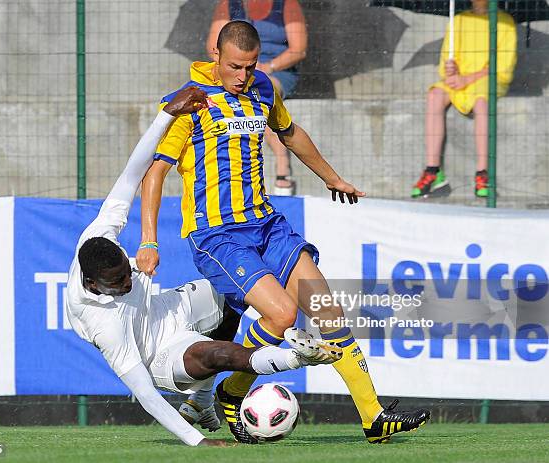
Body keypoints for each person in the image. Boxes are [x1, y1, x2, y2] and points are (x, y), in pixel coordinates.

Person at [138, 21, 430, 444]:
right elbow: (155, 173)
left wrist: (334, 178)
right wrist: (149, 240)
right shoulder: (189, 102)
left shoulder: (264, 88)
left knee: (327, 309)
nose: (243, 76)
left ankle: (374, 417)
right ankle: (233, 391)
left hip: (268, 225)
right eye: (236, 66)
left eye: (251, 65)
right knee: (281, 315)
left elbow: (290, 134)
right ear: (216, 56)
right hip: (219, 234)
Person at [65, 86, 342, 447]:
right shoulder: (102, 326)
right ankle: (296, 358)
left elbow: (132, 173)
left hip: (166, 308)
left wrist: (166, 115)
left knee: (233, 289)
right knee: (217, 354)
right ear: (93, 285)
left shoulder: (100, 234)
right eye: (118, 283)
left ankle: (202, 398)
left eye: (126, 270)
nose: (129, 281)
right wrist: (196, 442)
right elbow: (147, 395)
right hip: (161, 353)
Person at [411, 0, 517, 198]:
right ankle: (433, 171)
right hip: (460, 80)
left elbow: (503, 67)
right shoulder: (458, 20)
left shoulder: (505, 22)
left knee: (481, 102)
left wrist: (468, 78)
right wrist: (450, 70)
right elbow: (446, 62)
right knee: (434, 95)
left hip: (488, 80)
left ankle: (482, 173)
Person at [206, 0, 307, 195]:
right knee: (247, 89)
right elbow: (213, 49)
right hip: (239, 71)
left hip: (277, 71)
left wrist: (267, 67)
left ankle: (281, 159)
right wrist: (238, 66)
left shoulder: (286, 4)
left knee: (260, 92)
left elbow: (298, 49)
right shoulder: (228, 5)